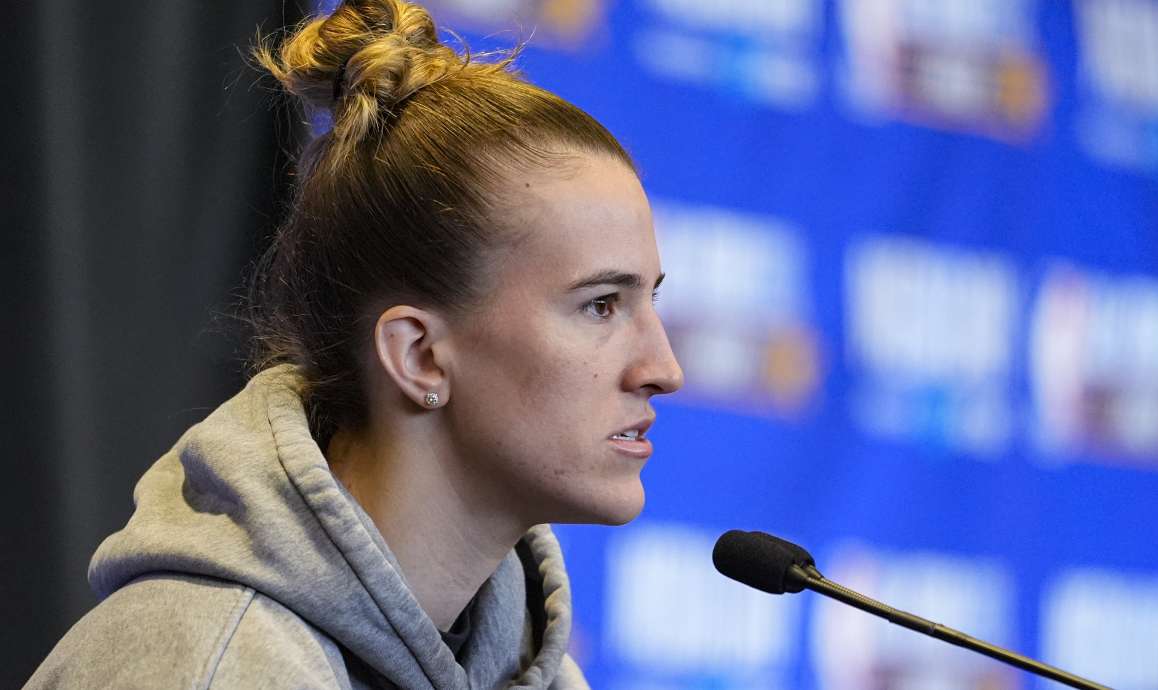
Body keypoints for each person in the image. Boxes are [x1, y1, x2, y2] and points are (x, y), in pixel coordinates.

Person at [27, 0, 683, 687]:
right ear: (418, 355)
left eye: (650, 300)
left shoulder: (541, 672)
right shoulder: (200, 667)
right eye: (601, 305)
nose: (663, 370)